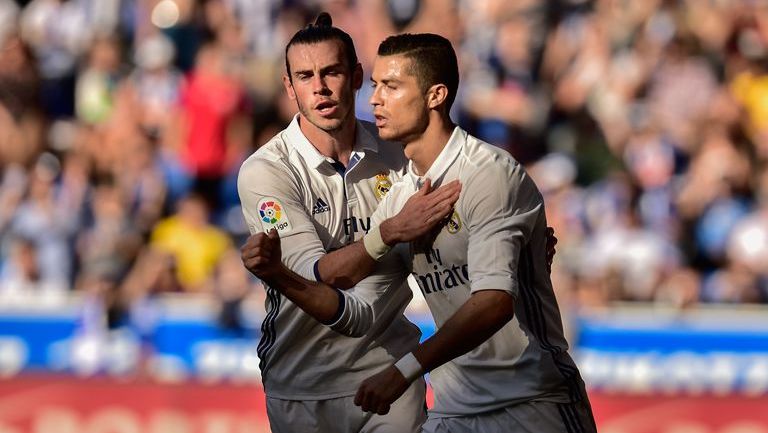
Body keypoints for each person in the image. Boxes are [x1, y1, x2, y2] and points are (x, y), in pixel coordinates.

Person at [248, 33, 592, 433]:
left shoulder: (488, 174)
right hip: (452, 409)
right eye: (375, 86)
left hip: (530, 402)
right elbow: (358, 315)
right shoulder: (400, 200)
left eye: (390, 87)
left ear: (435, 95)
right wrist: (279, 276)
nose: (374, 100)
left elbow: (494, 302)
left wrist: (403, 370)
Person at [237, 14, 461, 433]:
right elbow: (315, 276)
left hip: (388, 372)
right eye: (304, 76)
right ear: (290, 87)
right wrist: (391, 230)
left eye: (332, 72)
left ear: (357, 76)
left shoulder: (398, 153)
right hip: (301, 383)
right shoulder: (266, 170)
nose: (319, 87)